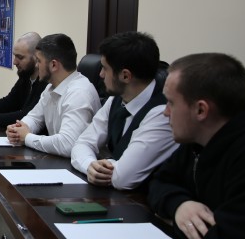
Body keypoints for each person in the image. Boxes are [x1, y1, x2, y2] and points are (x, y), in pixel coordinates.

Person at [147, 53, 245, 239]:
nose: (165, 112)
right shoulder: (196, 139)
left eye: (171, 103)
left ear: (201, 110)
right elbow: (160, 180)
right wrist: (180, 205)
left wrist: (172, 220)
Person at [70, 32, 178, 190]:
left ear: (125, 76)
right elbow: (82, 143)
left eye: (105, 68)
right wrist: (90, 165)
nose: (100, 74)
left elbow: (123, 178)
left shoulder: (163, 112)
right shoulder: (115, 99)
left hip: (143, 201)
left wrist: (106, 167)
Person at [6, 33, 101, 157]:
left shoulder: (79, 93)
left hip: (80, 165)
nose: (36, 65)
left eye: (39, 61)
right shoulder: (51, 88)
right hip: (58, 160)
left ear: (54, 65)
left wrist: (27, 137)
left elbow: (68, 144)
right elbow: (34, 118)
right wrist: (18, 129)